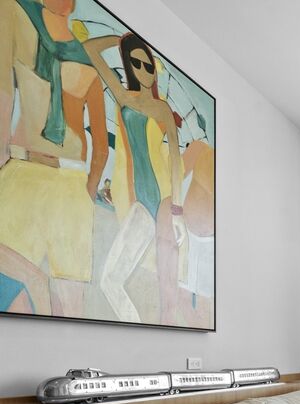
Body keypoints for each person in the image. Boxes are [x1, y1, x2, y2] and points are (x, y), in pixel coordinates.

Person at [0, 0, 109, 316]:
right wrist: (84, 196)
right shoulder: (87, 65)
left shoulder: (14, 14)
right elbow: (99, 150)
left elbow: (3, 95)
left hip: (30, 171)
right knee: (67, 306)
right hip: (61, 178)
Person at [84, 31, 188, 323]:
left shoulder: (162, 109)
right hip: (142, 203)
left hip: (166, 201)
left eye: (148, 65)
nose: (144, 70)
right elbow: (90, 49)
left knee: (167, 291)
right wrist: (119, 39)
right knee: (109, 280)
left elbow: (176, 162)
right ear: (129, 67)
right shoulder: (123, 97)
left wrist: (178, 211)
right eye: (137, 64)